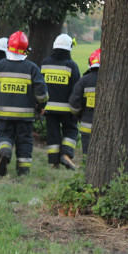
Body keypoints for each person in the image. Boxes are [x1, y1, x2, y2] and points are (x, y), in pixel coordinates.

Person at [0, 31, 48, 176]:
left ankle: (5, 151)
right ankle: (23, 170)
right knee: (25, 141)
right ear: (25, 50)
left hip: (3, 114)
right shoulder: (32, 68)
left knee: (4, 136)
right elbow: (42, 93)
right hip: (26, 115)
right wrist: (41, 106)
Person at [40, 34, 82, 170]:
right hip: (67, 109)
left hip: (49, 108)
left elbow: (40, 85)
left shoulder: (45, 63)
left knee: (53, 133)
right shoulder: (72, 66)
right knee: (71, 130)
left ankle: (54, 162)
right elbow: (76, 90)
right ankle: (66, 155)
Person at [69, 48, 100, 158]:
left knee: (88, 156)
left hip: (87, 127)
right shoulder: (113, 81)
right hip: (107, 130)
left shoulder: (84, 80)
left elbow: (74, 102)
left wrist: (78, 115)